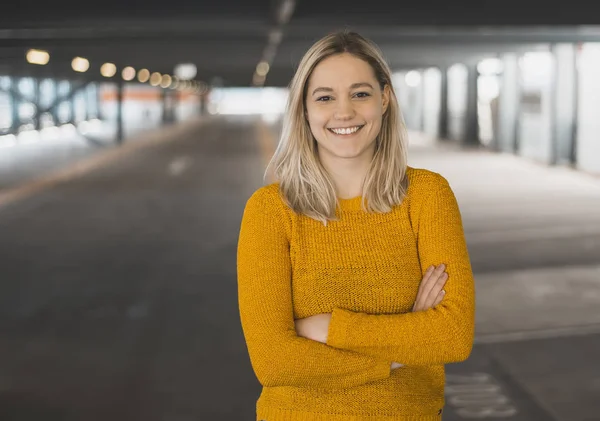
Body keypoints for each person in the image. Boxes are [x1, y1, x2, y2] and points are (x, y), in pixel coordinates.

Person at [237, 30, 475, 421]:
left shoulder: (427, 195)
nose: (343, 112)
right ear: (304, 110)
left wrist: (328, 329)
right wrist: (402, 349)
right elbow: (274, 361)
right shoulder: (270, 211)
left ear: (384, 99)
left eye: (360, 94)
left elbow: (452, 335)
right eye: (325, 97)